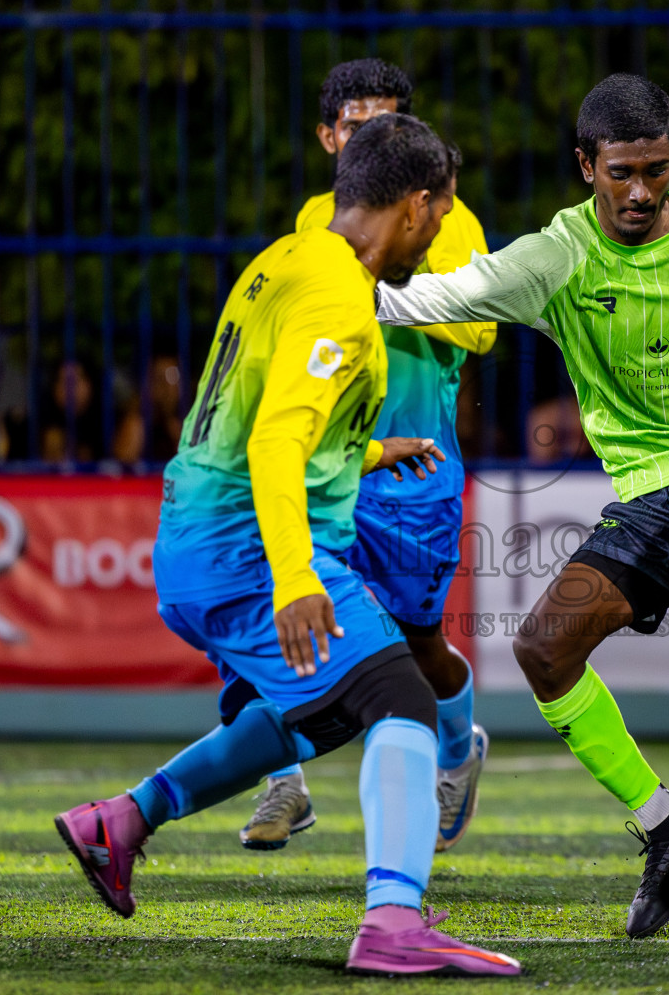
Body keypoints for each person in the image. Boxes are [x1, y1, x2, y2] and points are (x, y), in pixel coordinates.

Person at [53, 114, 519, 976]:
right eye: (443, 216)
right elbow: (273, 442)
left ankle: (119, 821)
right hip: (246, 550)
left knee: (319, 715)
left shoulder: (285, 259)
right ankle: (392, 924)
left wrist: (376, 450)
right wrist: (296, 576)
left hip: (197, 535)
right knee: (404, 700)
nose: (441, 235)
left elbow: (267, 415)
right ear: (417, 208)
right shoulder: (343, 300)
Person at [376, 74, 669, 938]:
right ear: (587, 166)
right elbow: (434, 298)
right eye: (622, 172)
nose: (642, 191)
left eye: (656, 170)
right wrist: (320, 296)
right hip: (662, 493)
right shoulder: (557, 258)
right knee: (543, 650)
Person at [240, 58, 498, 856]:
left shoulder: (450, 216)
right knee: (278, 609)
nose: (374, 137)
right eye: (358, 125)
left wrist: (383, 297)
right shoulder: (316, 217)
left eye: (390, 123)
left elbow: (484, 329)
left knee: (419, 643)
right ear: (328, 136)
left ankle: (459, 749)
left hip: (416, 472)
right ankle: (284, 780)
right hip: (332, 464)